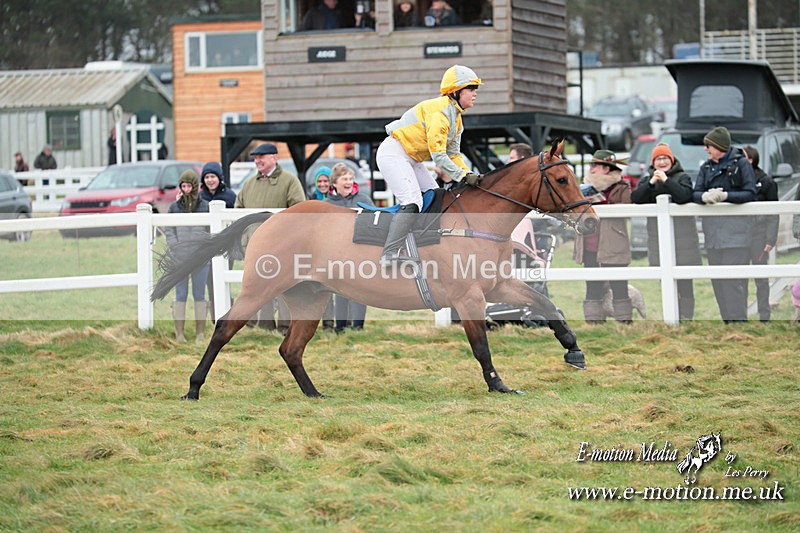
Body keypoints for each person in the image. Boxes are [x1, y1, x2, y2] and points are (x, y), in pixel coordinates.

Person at [376, 65, 483, 263]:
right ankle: (389, 254)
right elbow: (439, 156)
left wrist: (470, 174)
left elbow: (454, 154)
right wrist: (463, 176)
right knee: (413, 202)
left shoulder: (457, 119)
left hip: (411, 158)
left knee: (437, 196)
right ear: (456, 92)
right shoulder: (439, 113)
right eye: (471, 89)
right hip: (393, 154)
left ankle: (423, 245)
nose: (475, 94)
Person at [235, 142, 306, 331]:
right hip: (254, 245)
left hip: (281, 246)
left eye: (261, 157)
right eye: (255, 158)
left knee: (283, 285)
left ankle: (285, 326)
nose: (257, 161)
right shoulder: (249, 184)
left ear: (274, 157)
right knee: (258, 285)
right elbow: (238, 210)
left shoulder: (289, 181)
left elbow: (299, 209)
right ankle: (265, 325)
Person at [692, 126, 757, 322]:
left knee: (733, 282)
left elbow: (750, 193)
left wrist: (726, 196)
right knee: (718, 282)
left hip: (737, 235)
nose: (706, 149)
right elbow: (695, 192)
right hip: (713, 235)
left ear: (719, 146)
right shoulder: (705, 167)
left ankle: (738, 323)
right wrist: (703, 197)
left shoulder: (741, 164)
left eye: (709, 146)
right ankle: (727, 322)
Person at [631, 142, 701, 320]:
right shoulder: (647, 180)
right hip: (658, 238)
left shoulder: (682, 177)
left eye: (665, 158)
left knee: (685, 281)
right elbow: (636, 198)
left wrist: (666, 181)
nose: (662, 162)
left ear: (672, 160)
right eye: (658, 159)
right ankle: (671, 316)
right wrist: (652, 183)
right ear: (653, 162)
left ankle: (687, 317)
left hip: (683, 239)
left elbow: (684, 196)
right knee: (665, 280)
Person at [573, 149, 633, 324]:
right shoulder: (582, 187)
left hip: (613, 242)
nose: (591, 168)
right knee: (592, 284)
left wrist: (604, 203)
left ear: (606, 168)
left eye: (595, 165)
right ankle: (593, 322)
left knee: (619, 284)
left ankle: (624, 321)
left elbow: (627, 208)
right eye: (591, 165)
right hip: (589, 242)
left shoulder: (621, 186)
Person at [324, 163, 374, 331]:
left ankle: (358, 327)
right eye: (344, 179)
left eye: (350, 179)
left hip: (359, 251)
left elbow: (374, 222)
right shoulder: (327, 203)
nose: (348, 182)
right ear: (335, 183)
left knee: (359, 289)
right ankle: (340, 327)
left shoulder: (364, 200)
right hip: (337, 253)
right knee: (340, 291)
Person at [165, 170, 210, 342]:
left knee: (199, 294)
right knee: (180, 294)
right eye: (183, 186)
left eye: (189, 186)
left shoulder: (205, 207)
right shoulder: (174, 208)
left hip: (200, 260)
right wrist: (175, 248)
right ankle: (179, 333)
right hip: (180, 259)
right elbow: (169, 230)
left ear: (195, 186)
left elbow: (210, 231)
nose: (186, 190)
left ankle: (200, 333)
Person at [743, 145, 779, 321]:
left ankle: (764, 316)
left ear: (751, 160)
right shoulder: (737, 181)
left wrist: (770, 239)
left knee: (761, 278)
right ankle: (740, 315)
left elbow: (773, 213)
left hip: (759, 235)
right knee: (739, 277)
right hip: (740, 236)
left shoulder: (766, 182)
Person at [200, 161, 237, 320]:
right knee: (210, 280)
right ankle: (215, 316)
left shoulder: (230, 196)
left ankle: (228, 313)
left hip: (226, 245)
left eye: (213, 176)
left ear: (219, 178)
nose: (210, 180)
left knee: (225, 279)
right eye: (207, 177)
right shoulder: (200, 197)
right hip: (206, 247)